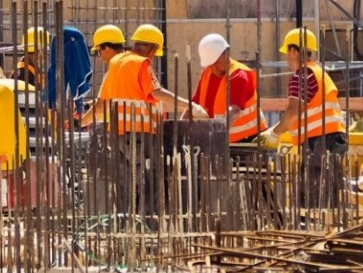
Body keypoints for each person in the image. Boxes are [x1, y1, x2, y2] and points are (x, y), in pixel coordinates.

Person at [88, 24, 207, 218]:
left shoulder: (116, 62)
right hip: (140, 135)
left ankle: (127, 228)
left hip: (117, 134)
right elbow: (157, 93)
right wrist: (190, 106)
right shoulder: (142, 63)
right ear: (152, 49)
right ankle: (148, 230)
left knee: (126, 186)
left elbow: (104, 102)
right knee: (149, 185)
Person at [261, 27, 347, 208]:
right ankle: (327, 231)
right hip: (332, 139)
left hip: (319, 142)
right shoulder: (318, 72)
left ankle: (316, 232)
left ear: (293, 51)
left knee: (313, 196)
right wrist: (275, 129)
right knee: (328, 194)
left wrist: (275, 133)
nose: (286, 58)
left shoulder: (302, 74)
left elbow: (293, 111)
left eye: (287, 52)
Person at [192, 33, 266, 143]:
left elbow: (234, 111)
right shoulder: (207, 73)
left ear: (226, 54)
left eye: (217, 63)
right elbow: (193, 105)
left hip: (248, 141)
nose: (214, 69)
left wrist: (219, 133)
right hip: (220, 141)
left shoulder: (239, 75)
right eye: (210, 64)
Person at [79, 24, 126, 128]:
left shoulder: (115, 69)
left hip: (124, 130)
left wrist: (80, 122)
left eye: (99, 52)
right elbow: (110, 99)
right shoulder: (133, 64)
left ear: (107, 48)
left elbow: (102, 106)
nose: (100, 57)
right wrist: (86, 106)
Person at [12, 26, 50, 90]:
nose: (46, 55)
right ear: (39, 51)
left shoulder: (33, 69)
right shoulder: (22, 75)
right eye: (45, 51)